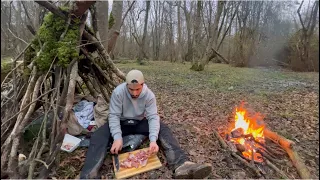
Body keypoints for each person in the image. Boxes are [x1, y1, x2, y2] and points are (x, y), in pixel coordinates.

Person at [80, 70, 212, 179]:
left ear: (143, 84)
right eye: (131, 89)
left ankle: (181, 165)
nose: (134, 93)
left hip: (139, 122)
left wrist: (153, 140)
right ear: (126, 85)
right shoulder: (118, 92)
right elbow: (113, 116)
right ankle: (89, 175)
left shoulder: (149, 95)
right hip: (121, 122)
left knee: (163, 128)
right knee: (98, 135)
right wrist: (117, 138)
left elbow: (153, 117)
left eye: (137, 89)